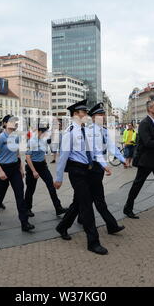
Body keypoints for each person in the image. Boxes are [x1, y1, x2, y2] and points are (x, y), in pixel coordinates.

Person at [54, 99, 111, 255]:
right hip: (77, 171)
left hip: (89, 170)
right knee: (86, 206)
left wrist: (104, 164)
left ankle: (62, 227)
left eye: (86, 112)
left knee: (78, 203)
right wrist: (58, 178)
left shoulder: (88, 131)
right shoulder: (70, 133)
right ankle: (93, 242)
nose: (86, 114)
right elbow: (63, 157)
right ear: (75, 114)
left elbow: (95, 151)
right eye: (83, 112)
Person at [71, 103, 126, 233]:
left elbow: (111, 146)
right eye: (100, 115)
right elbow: (92, 151)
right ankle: (110, 225)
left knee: (84, 198)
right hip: (90, 166)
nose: (103, 117)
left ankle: (78, 218)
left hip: (98, 167)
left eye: (103, 114)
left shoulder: (104, 130)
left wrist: (123, 159)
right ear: (94, 117)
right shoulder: (89, 130)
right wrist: (104, 165)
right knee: (95, 198)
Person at [0, 115, 34, 232]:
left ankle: (24, 223)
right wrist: (0, 171)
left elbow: (17, 153)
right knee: (0, 195)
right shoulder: (0, 138)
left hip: (14, 169)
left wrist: (21, 168)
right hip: (3, 169)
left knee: (20, 195)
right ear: (5, 124)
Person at [24, 122, 68, 217]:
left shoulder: (43, 140)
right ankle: (27, 209)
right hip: (32, 166)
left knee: (51, 186)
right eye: (44, 132)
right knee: (31, 189)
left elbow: (42, 153)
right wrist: (34, 171)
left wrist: (45, 164)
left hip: (42, 166)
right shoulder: (32, 141)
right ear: (39, 131)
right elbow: (28, 157)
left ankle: (58, 208)